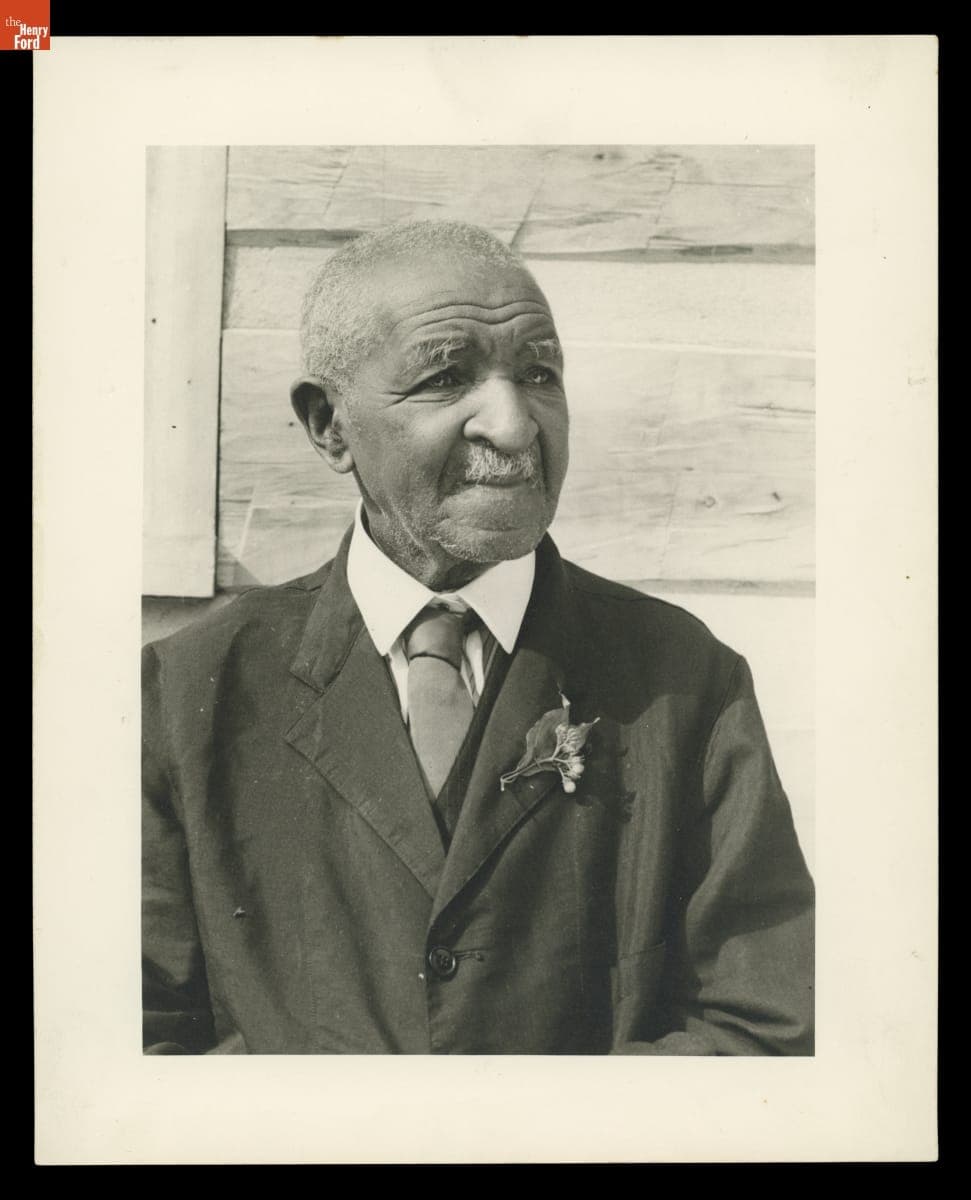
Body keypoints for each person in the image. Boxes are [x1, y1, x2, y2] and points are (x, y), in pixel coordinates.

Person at [142, 220, 814, 1055]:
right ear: (328, 425)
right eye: (445, 376)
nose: (514, 424)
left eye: (539, 374)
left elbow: (765, 1028)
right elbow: (136, 1049)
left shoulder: (684, 677)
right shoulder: (185, 692)